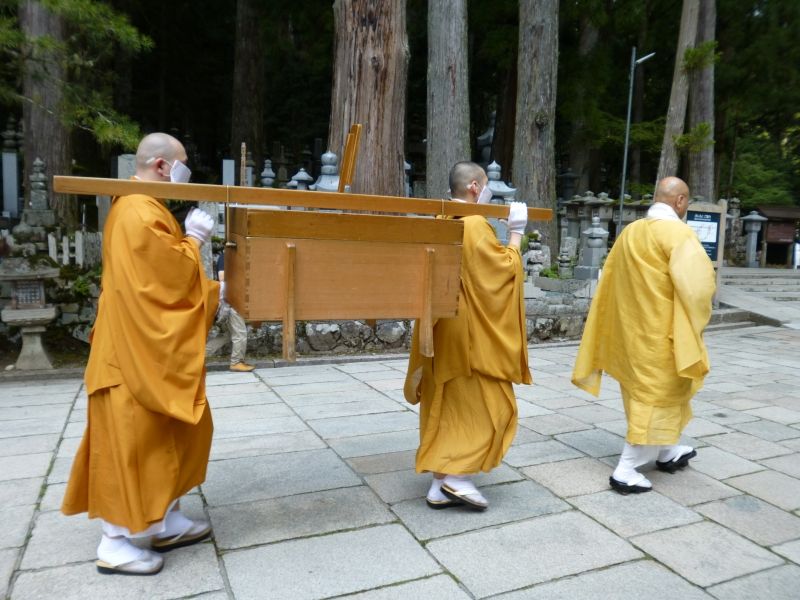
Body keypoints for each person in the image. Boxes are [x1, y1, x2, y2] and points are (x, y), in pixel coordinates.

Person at [62, 132, 219, 575]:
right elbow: (163, 281)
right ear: (163, 166)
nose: (186, 172)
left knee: (183, 430)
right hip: (129, 356)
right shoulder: (136, 210)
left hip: (145, 347)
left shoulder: (145, 206)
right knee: (131, 444)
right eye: (183, 164)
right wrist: (194, 242)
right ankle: (115, 542)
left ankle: (164, 517)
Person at [572, 176, 716, 494]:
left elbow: (611, 279)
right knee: (656, 397)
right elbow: (698, 287)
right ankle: (626, 468)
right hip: (662, 334)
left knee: (647, 395)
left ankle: (666, 450)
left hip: (631, 332)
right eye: (686, 201)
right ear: (679, 201)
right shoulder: (678, 233)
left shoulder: (630, 232)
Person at [404, 161, 531, 511]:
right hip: (469, 333)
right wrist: (516, 234)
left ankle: (440, 482)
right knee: (488, 404)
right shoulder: (474, 224)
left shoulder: (441, 218)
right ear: (475, 187)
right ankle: (458, 476)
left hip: (441, 328)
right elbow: (499, 274)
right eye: (486, 185)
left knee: (446, 400)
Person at [215, 252, 255, 372]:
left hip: (230, 301)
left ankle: (198, 356)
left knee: (226, 336)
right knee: (240, 333)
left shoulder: (231, 258)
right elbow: (222, 277)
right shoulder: (225, 257)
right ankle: (236, 362)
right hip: (230, 303)